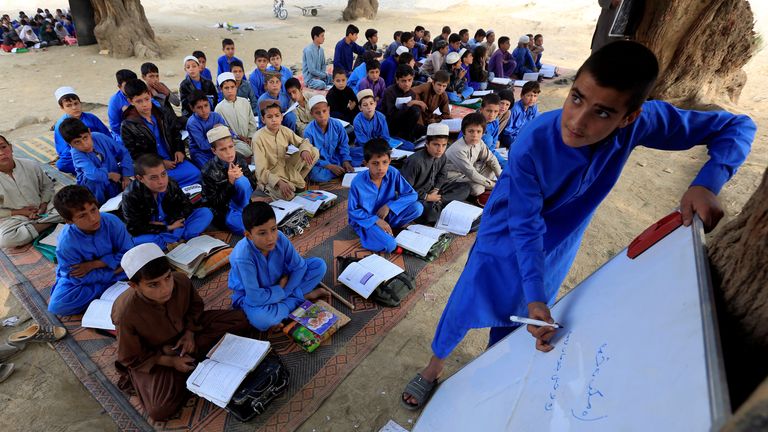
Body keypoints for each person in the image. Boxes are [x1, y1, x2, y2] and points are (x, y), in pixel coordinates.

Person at [401, 40, 756, 409]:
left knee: (521, 319)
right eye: (577, 98)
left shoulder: (640, 124)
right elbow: (524, 225)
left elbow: (738, 127)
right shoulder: (535, 142)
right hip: (504, 241)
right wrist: (536, 293)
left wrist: (708, 182)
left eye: (602, 113)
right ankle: (433, 367)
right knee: (467, 303)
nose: (578, 121)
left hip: (557, 247)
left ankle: (492, 372)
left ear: (629, 117)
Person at [112, 242, 251, 421]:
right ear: (134, 286)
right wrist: (169, 361)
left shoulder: (181, 281)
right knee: (159, 410)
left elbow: (195, 308)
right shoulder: (126, 313)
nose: (165, 288)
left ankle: (189, 361)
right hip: (155, 355)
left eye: (167, 278)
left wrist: (189, 333)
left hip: (187, 334)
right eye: (153, 285)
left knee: (241, 320)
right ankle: (190, 364)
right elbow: (130, 357)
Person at [228, 202, 329, 331]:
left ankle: (285, 308)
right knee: (262, 320)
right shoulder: (243, 257)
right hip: (254, 295)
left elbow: (299, 267)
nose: (271, 238)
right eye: (262, 233)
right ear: (248, 235)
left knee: (318, 266)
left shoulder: (280, 237)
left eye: (273, 229)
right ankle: (304, 297)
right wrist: (280, 289)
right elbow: (254, 297)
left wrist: (284, 291)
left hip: (282, 283)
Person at [47, 186, 132, 316]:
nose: (93, 218)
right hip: (108, 273)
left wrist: (95, 264)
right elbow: (77, 279)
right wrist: (114, 271)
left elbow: (128, 253)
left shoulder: (111, 221)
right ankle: (112, 289)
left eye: (93, 210)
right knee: (57, 305)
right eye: (82, 216)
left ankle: (108, 290)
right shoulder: (66, 244)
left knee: (145, 261)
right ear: (69, 221)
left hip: (109, 271)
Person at [122, 154, 213, 250]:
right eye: (154, 177)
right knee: (136, 240)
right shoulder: (131, 195)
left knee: (205, 213)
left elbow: (186, 205)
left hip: (174, 224)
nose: (161, 181)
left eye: (163, 174)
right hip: (154, 231)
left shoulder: (170, 183)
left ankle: (176, 240)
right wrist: (166, 227)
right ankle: (176, 241)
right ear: (140, 178)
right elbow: (133, 228)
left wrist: (175, 220)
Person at [121, 79, 202, 188]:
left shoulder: (162, 112)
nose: (145, 104)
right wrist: (161, 163)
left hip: (174, 162)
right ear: (130, 101)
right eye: (139, 101)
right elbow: (137, 155)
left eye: (146, 99)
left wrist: (179, 150)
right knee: (162, 185)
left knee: (197, 175)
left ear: (149, 94)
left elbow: (175, 133)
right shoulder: (128, 126)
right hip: (153, 170)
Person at [348, 138, 422, 253]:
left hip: (387, 214)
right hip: (367, 220)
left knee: (417, 208)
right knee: (390, 245)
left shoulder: (393, 173)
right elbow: (353, 211)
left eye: (384, 162)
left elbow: (411, 195)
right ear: (365, 163)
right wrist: (375, 220)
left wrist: (389, 206)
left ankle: (386, 228)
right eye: (375, 163)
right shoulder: (357, 182)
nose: (381, 168)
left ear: (390, 160)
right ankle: (373, 233)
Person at [401, 123, 471, 224]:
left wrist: (436, 189)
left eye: (444, 145)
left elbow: (442, 175)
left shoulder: (442, 155)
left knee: (465, 188)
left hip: (434, 192)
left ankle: (438, 204)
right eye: (436, 145)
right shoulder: (415, 162)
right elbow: (405, 190)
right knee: (429, 215)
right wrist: (427, 197)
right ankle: (438, 207)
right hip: (418, 197)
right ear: (427, 143)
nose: (440, 149)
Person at [0, 135, 61, 248]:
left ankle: (33, 227)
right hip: (17, 217)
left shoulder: (30, 165)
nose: (1, 153)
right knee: (5, 240)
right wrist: (20, 212)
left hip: (45, 208)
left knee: (73, 204)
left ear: (11, 147)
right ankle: (49, 222)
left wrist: (43, 204)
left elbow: (47, 186)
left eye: (3, 147)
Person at [252, 100, 320, 200]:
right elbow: (261, 171)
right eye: (269, 117)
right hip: (271, 174)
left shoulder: (284, 130)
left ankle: (293, 182)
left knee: (314, 152)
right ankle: (268, 188)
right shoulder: (258, 138)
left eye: (277, 116)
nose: (274, 120)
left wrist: (304, 150)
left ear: (282, 117)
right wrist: (278, 182)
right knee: (289, 195)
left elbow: (303, 142)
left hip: (285, 166)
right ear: (263, 119)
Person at [60, 118, 133, 205]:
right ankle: (100, 206)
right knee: (94, 180)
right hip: (95, 188)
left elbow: (124, 153)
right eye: (77, 142)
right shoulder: (76, 153)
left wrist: (126, 176)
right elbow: (94, 175)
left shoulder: (99, 137)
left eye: (85, 138)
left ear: (89, 132)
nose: (85, 144)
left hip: (116, 179)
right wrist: (109, 175)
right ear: (70, 144)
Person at [201, 125, 259, 235]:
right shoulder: (208, 171)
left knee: (242, 181)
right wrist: (230, 183)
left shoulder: (239, 159)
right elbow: (215, 203)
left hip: (244, 204)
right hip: (226, 211)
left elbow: (253, 185)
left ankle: (247, 212)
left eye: (231, 146)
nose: (229, 152)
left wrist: (244, 178)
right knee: (249, 231)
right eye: (223, 149)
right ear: (214, 151)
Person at [53, 86, 111, 174]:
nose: (74, 108)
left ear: (80, 103)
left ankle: (93, 167)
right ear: (62, 108)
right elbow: (64, 151)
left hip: (98, 149)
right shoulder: (60, 126)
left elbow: (107, 136)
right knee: (62, 164)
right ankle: (95, 167)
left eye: (76, 103)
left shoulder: (91, 117)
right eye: (69, 105)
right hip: (78, 154)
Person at [445, 112, 502, 199]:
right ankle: (487, 186)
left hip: (470, 172)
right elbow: (472, 174)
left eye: (478, 131)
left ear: (483, 133)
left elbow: (491, 158)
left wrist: (500, 177)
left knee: (492, 167)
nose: (475, 135)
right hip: (455, 178)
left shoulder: (479, 142)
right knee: (478, 189)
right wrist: (494, 185)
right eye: (471, 131)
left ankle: (488, 184)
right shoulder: (458, 149)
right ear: (464, 132)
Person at [304, 95, 354, 182]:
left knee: (359, 153)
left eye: (324, 111)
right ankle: (340, 172)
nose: (322, 115)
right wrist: (329, 166)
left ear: (329, 109)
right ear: (312, 114)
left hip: (337, 157)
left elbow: (343, 144)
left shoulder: (337, 124)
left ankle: (342, 169)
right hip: (320, 163)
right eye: (317, 112)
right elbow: (311, 156)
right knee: (317, 175)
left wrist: (345, 160)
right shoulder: (309, 131)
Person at [214, 72, 257, 158]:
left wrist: (250, 137)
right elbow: (223, 130)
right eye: (226, 88)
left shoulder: (244, 102)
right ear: (220, 89)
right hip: (234, 142)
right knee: (244, 152)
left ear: (236, 87)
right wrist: (238, 138)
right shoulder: (219, 108)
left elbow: (252, 122)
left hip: (249, 138)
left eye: (232, 87)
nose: (230, 91)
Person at [380, 65, 427, 143]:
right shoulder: (389, 92)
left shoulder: (411, 93)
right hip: (391, 125)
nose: (407, 84)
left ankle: (410, 135)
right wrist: (408, 104)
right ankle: (407, 138)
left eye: (409, 80)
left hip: (407, 124)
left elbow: (413, 114)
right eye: (403, 81)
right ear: (397, 80)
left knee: (426, 128)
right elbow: (391, 115)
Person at [185, 90, 231, 169]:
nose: (204, 110)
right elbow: (203, 145)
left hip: (218, 148)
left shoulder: (216, 116)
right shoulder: (192, 123)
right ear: (192, 108)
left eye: (206, 105)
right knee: (210, 171)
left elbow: (228, 134)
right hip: (200, 153)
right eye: (199, 107)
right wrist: (217, 133)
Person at [353, 89, 401, 155]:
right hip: (365, 147)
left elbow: (385, 136)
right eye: (365, 105)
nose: (369, 107)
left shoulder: (381, 117)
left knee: (408, 146)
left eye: (371, 103)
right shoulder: (357, 121)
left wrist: (382, 147)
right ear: (360, 108)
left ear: (375, 104)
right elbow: (362, 141)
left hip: (381, 144)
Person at [107, 69, 139, 141]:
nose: (131, 87)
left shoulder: (142, 92)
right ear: (119, 86)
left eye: (133, 84)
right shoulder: (114, 101)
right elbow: (115, 127)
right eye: (127, 85)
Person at [507, 81, 541, 146]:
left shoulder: (534, 107)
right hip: (513, 137)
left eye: (535, 96)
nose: (532, 99)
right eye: (529, 95)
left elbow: (536, 123)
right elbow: (508, 131)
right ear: (522, 95)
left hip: (526, 134)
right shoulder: (515, 109)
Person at [302, 26, 333, 90]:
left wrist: (322, 75)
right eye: (322, 36)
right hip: (310, 79)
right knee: (322, 84)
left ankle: (324, 81)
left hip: (320, 77)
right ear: (315, 37)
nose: (324, 38)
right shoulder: (308, 50)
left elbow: (323, 65)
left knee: (335, 78)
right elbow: (311, 70)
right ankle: (320, 83)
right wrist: (323, 75)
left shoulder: (321, 50)